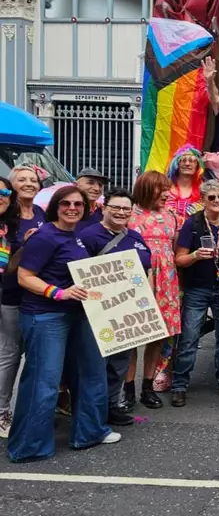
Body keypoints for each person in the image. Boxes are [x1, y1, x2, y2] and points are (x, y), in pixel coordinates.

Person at [8, 186, 121, 462]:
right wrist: (57, 293)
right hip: (45, 316)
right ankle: (29, 446)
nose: (72, 208)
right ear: (55, 206)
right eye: (66, 204)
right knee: (43, 381)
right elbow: (25, 276)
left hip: (79, 314)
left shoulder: (77, 237)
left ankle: (90, 432)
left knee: (90, 373)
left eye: (78, 205)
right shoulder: (45, 236)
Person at [78, 189, 152, 427]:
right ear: (103, 207)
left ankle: (111, 406)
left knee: (119, 363)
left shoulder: (135, 237)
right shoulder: (88, 236)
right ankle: (92, 411)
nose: (121, 212)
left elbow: (147, 270)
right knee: (96, 364)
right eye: (116, 207)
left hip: (128, 312)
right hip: (98, 312)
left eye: (126, 209)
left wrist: (146, 301)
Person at [171, 180, 219, 407]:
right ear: (203, 200)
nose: (218, 201)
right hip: (197, 288)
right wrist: (195, 256)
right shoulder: (193, 223)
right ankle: (179, 384)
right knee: (190, 337)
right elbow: (179, 259)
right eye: (212, 198)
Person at [127, 171, 182, 409]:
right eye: (162, 190)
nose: (168, 194)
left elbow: (175, 248)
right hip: (138, 278)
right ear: (148, 189)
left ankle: (147, 386)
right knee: (131, 335)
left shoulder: (171, 216)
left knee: (159, 335)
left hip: (167, 280)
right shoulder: (129, 214)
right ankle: (127, 389)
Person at [0, 167, 42, 437]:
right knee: (10, 353)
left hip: (39, 298)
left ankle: (30, 411)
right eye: (21, 180)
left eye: (33, 180)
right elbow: (11, 266)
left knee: (35, 356)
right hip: (12, 296)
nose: (28, 184)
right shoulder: (8, 218)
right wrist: (25, 246)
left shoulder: (41, 213)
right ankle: (2, 410)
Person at [0, 177, 19, 438]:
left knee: (7, 354)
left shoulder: (7, 228)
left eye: (4, 191)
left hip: (6, 296)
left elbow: (9, 269)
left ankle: (2, 410)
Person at [165, 145, 205, 227]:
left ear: (197, 165)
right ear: (176, 164)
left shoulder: (204, 190)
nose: (187, 164)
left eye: (191, 161)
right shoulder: (164, 187)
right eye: (183, 160)